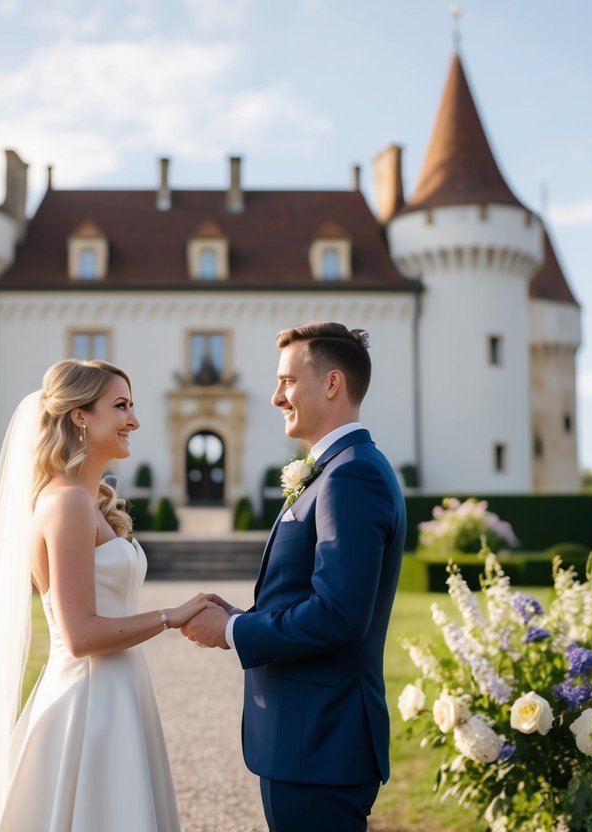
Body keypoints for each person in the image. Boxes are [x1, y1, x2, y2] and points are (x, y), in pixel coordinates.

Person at [0, 359, 210, 832]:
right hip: (90, 697)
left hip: (121, 686)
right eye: (120, 406)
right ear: (80, 415)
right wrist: (171, 616)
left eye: (132, 406)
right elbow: (79, 635)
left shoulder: (93, 502)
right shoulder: (65, 504)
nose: (134, 420)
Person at [182, 322, 407, 832]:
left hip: (322, 743)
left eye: (287, 381)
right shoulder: (334, 469)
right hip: (307, 742)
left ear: (331, 384)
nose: (275, 397)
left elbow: (339, 615)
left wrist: (235, 633)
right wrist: (241, 618)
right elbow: (319, 595)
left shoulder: (351, 474)